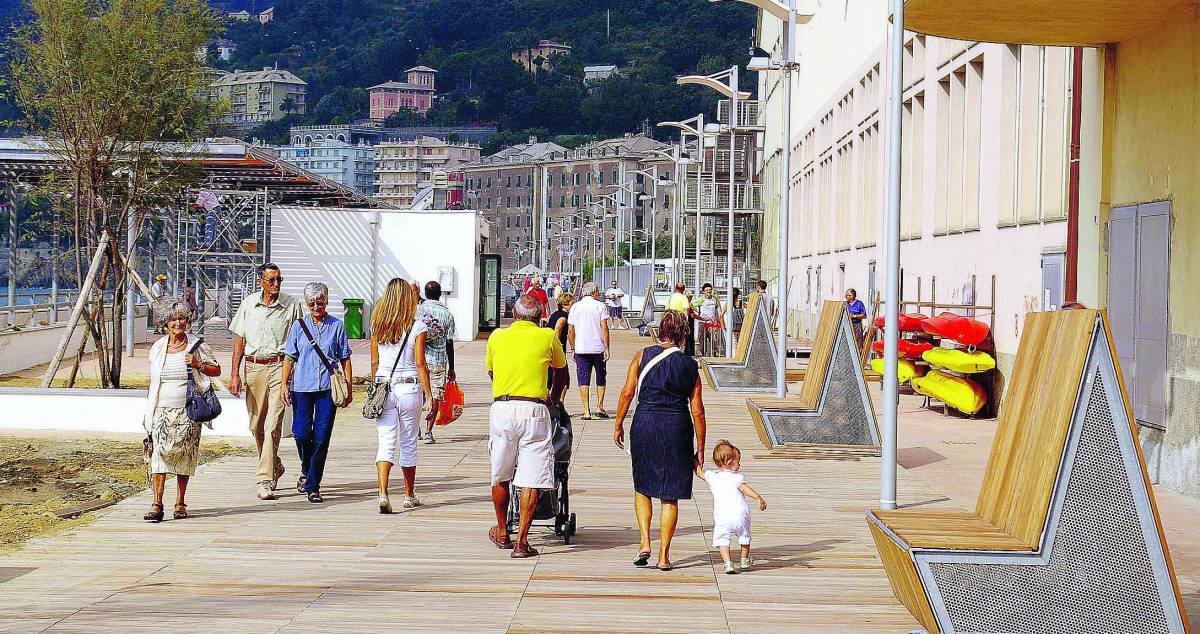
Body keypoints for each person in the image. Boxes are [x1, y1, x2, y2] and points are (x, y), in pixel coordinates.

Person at [612, 310, 707, 571]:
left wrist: (618, 423)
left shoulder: (642, 356)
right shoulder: (689, 365)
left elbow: (627, 392)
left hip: (646, 422)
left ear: (660, 331)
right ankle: (664, 555)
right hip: (677, 426)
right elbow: (697, 409)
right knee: (670, 495)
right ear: (683, 334)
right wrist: (701, 447)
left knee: (642, 486)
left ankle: (644, 541)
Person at [485, 295, 569, 558]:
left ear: (514, 312)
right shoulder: (547, 337)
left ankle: (502, 531)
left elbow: (491, 372)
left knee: (501, 473)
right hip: (534, 409)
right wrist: (552, 398)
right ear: (541, 314)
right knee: (531, 476)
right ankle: (521, 543)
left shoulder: (496, 337)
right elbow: (562, 374)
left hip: (502, 407)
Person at [228, 263, 304, 501]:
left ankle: (264, 479)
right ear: (260, 281)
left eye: (280, 279)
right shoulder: (249, 304)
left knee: (273, 425)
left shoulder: (292, 305)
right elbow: (239, 340)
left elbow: (299, 340)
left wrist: (292, 375)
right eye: (271, 280)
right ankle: (275, 465)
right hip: (253, 367)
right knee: (256, 425)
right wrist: (234, 374)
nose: (276, 284)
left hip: (280, 367)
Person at [142, 301, 221, 522]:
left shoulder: (197, 345)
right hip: (161, 411)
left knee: (185, 454)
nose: (178, 323)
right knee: (158, 454)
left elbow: (216, 369)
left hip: (189, 410)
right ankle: (157, 503)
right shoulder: (158, 347)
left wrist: (198, 364)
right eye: (173, 319)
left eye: (182, 318)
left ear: (188, 321)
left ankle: (180, 502)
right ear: (165, 323)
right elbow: (153, 380)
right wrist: (149, 411)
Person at [280, 283, 353, 504]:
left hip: (327, 388)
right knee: (301, 433)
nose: (316, 306)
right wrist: (284, 384)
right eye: (311, 303)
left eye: (320, 302)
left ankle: (313, 485)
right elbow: (289, 356)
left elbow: (345, 358)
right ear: (306, 304)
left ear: (327, 301)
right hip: (301, 387)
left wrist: (348, 387)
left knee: (321, 437)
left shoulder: (337, 326)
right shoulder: (298, 326)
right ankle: (306, 467)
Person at [369, 278, 433, 513]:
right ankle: (408, 494)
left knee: (385, 441)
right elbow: (420, 363)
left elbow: (374, 362)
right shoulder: (417, 326)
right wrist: (429, 395)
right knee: (408, 441)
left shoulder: (377, 324)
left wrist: (376, 385)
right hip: (409, 388)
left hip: (384, 385)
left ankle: (383, 493)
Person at [694, 440, 767, 574]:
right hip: (740, 514)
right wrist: (757, 497)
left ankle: (728, 563)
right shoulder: (737, 477)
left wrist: (695, 459)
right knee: (744, 536)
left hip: (723, 516)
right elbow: (745, 489)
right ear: (729, 463)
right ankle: (744, 559)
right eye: (738, 461)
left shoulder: (712, 476)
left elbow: (699, 472)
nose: (739, 464)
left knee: (723, 539)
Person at [415, 280, 457, 445]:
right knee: (436, 395)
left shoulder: (417, 312)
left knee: (419, 394)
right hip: (439, 361)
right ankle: (428, 431)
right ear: (440, 294)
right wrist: (452, 367)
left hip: (419, 359)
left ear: (426, 294)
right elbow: (449, 342)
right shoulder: (447, 314)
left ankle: (415, 428)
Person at [568, 281, 610, 420]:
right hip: (597, 348)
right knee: (600, 377)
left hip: (581, 348)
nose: (599, 293)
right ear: (593, 292)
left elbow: (570, 331)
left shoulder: (575, 307)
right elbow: (604, 328)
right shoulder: (600, 306)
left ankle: (586, 411)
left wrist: (573, 347)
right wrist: (607, 347)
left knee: (583, 379)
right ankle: (599, 406)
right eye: (598, 291)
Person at [547, 292, 573, 386]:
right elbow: (558, 327)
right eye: (571, 304)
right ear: (565, 305)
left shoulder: (555, 314)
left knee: (552, 375)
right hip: (558, 348)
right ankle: (558, 400)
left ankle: (551, 397)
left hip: (549, 346)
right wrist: (557, 344)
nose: (572, 306)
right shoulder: (564, 316)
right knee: (564, 378)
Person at [695, 283, 725, 357]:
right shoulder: (701, 299)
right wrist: (697, 312)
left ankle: (713, 355)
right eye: (706, 290)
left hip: (711, 322)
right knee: (702, 339)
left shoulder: (714, 299)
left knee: (713, 339)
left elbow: (717, 308)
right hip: (703, 322)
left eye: (710, 290)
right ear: (704, 291)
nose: (708, 291)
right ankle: (702, 355)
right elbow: (691, 304)